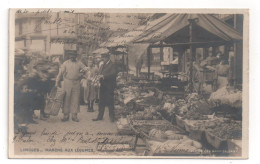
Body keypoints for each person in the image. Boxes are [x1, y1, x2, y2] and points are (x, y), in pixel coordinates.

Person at [55, 50, 88, 122]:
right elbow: (60, 73)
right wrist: (57, 80)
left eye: (74, 55)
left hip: (76, 82)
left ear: (76, 56)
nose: (72, 57)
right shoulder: (65, 63)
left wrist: (82, 74)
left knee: (75, 99)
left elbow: (86, 69)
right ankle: (66, 115)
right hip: (67, 82)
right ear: (69, 56)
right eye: (71, 55)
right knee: (66, 98)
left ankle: (74, 115)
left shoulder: (79, 63)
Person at [92, 53, 117, 122]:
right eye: (102, 58)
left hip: (109, 86)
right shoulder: (102, 65)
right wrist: (97, 78)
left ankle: (112, 117)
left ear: (108, 58)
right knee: (101, 102)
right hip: (102, 85)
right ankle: (100, 116)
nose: (103, 60)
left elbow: (113, 74)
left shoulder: (112, 64)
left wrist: (104, 76)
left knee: (110, 102)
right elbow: (99, 73)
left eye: (104, 58)